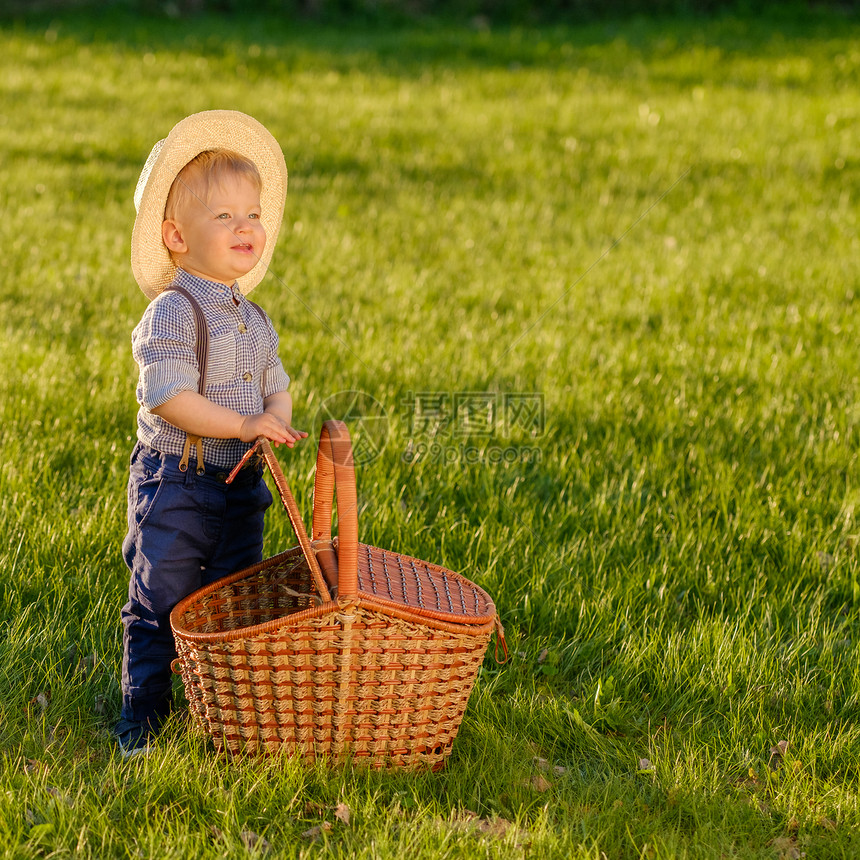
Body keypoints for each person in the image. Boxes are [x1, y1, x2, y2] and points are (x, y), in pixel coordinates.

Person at [117, 110, 307, 757]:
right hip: (178, 482)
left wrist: (274, 416)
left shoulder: (254, 319)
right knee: (163, 594)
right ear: (176, 236)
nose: (245, 226)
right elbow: (169, 398)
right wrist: (245, 422)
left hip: (238, 484)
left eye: (252, 214)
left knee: (230, 595)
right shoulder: (174, 310)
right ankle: (143, 714)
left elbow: (276, 381)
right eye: (223, 216)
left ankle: (218, 709)